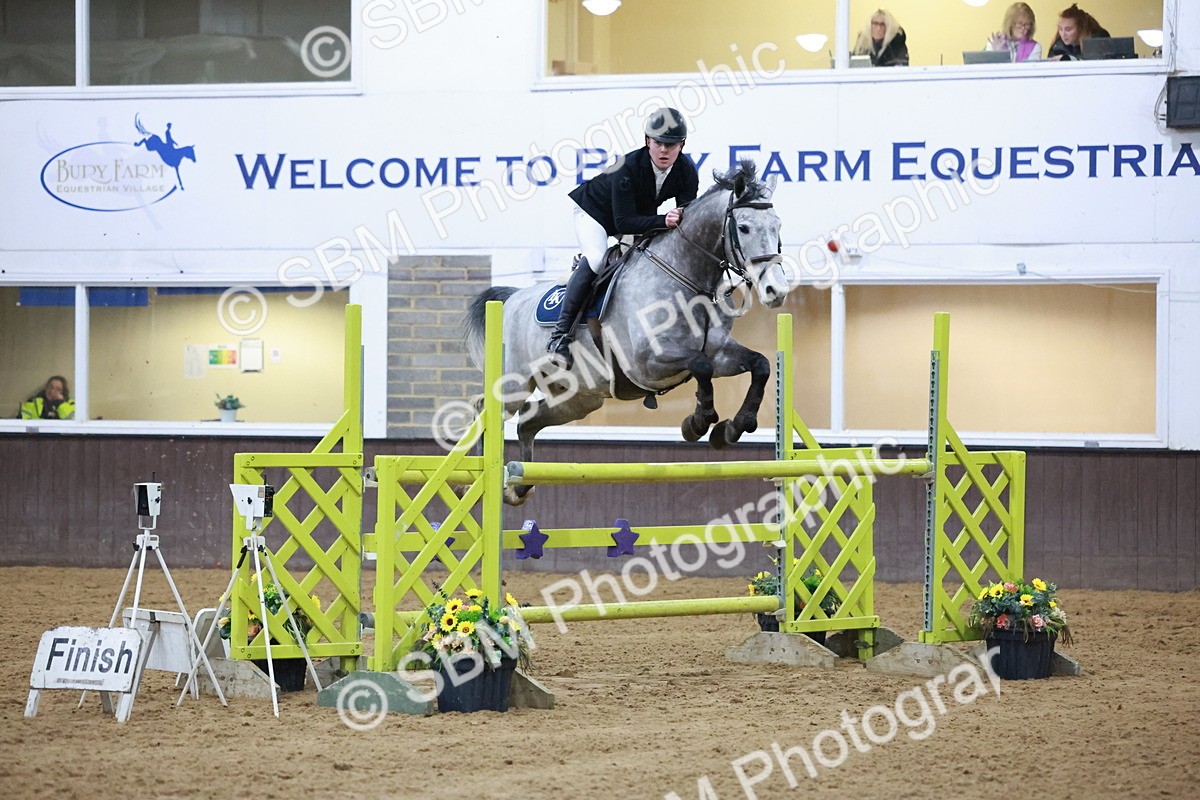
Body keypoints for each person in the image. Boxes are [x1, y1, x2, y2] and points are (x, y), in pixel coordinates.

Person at [546, 107, 699, 370]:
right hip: (594, 213)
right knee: (596, 259)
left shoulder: (686, 170)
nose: (664, 150)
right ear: (647, 141)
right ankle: (560, 337)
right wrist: (664, 220)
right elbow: (623, 223)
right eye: (659, 142)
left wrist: (681, 217)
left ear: (682, 145)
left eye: (671, 144)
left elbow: (688, 217)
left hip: (635, 215)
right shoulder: (626, 167)